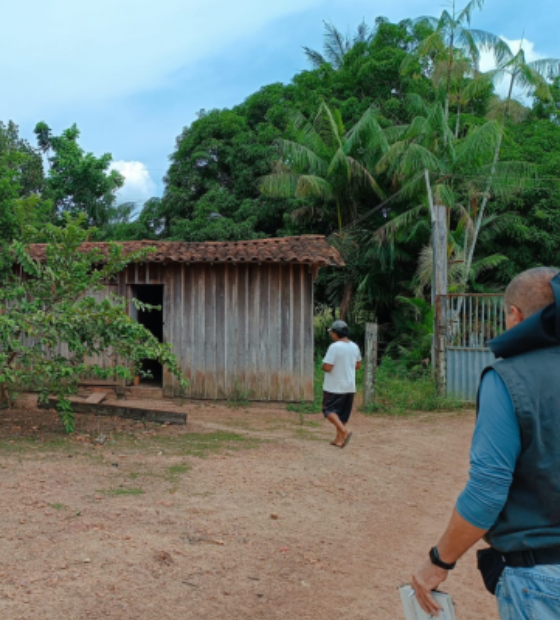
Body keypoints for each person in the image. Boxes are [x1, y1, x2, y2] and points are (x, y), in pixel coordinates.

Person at [410, 267, 560, 619]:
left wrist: (438, 560)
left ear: (515, 315)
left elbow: (487, 491)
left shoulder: (508, 378)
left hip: (542, 579)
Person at [322, 319, 361, 448]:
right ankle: (339, 440)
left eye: (332, 332)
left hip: (334, 386)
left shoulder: (334, 347)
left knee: (329, 410)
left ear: (336, 333)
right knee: (343, 414)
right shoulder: (354, 346)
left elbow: (328, 366)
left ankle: (344, 431)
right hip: (349, 386)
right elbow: (358, 365)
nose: (332, 335)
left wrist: (323, 367)